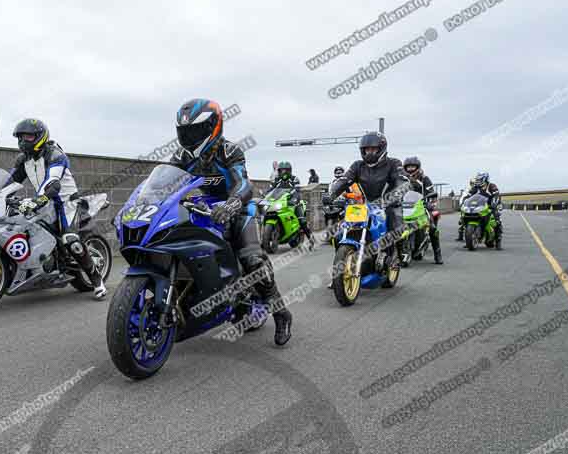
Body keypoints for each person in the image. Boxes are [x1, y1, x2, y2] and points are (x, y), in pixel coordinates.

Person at [171, 98, 293, 345]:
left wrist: (233, 203)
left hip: (236, 207)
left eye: (195, 130)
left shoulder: (230, 151)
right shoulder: (182, 155)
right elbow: (164, 181)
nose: (189, 136)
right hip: (203, 208)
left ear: (212, 127)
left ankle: (281, 313)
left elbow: (243, 182)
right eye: (185, 131)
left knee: (251, 258)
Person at [6, 119, 107, 299]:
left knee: (70, 240)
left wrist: (39, 200)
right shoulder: (24, 160)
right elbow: (10, 182)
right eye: (20, 137)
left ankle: (96, 279)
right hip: (45, 202)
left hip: (66, 203)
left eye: (28, 136)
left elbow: (52, 182)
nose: (23, 141)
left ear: (39, 137)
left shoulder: (55, 155)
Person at [323, 132, 410, 266]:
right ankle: (341, 265)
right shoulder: (358, 165)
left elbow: (402, 180)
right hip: (365, 205)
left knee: (395, 222)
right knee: (341, 232)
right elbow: (345, 180)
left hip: (389, 203)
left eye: (373, 149)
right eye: (367, 149)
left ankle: (401, 252)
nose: (370, 152)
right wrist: (332, 195)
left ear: (381, 149)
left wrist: (396, 195)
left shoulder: (393, 163)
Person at [403, 156, 443, 264]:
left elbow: (432, 193)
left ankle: (437, 254)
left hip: (422, 206)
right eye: (408, 167)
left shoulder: (425, 179)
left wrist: (431, 203)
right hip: (406, 206)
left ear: (418, 167)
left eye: (413, 167)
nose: (410, 169)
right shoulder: (402, 179)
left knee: (432, 228)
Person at [269, 161, 316, 247]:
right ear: (279, 171)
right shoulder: (276, 179)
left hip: (293, 202)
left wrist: (294, 199)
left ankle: (311, 238)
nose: (284, 172)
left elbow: (297, 190)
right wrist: (265, 197)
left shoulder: (294, 179)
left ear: (289, 170)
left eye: (286, 170)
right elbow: (271, 191)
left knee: (302, 220)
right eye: (282, 170)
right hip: (280, 202)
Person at [469, 172, 503, 250]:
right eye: (477, 179)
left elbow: (496, 194)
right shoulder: (475, 187)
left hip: (492, 205)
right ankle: (470, 239)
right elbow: (470, 195)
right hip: (480, 205)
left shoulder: (492, 186)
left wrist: (494, 202)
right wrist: (465, 200)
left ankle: (498, 240)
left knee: (497, 219)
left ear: (485, 179)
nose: (478, 181)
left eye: (480, 179)